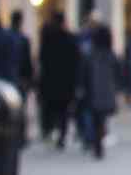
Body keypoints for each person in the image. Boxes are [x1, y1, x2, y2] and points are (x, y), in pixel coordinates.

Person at [79, 26, 122, 160]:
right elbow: (118, 73)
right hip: (107, 92)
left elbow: (83, 74)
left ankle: (95, 142)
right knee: (101, 119)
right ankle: (98, 143)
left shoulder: (90, 54)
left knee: (95, 118)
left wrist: (81, 88)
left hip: (93, 92)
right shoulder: (111, 55)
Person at [36, 14, 79, 148]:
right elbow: (76, 62)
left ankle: (49, 131)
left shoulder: (48, 39)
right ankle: (61, 134)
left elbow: (42, 59)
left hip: (50, 80)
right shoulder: (71, 39)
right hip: (66, 82)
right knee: (64, 110)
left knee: (49, 107)